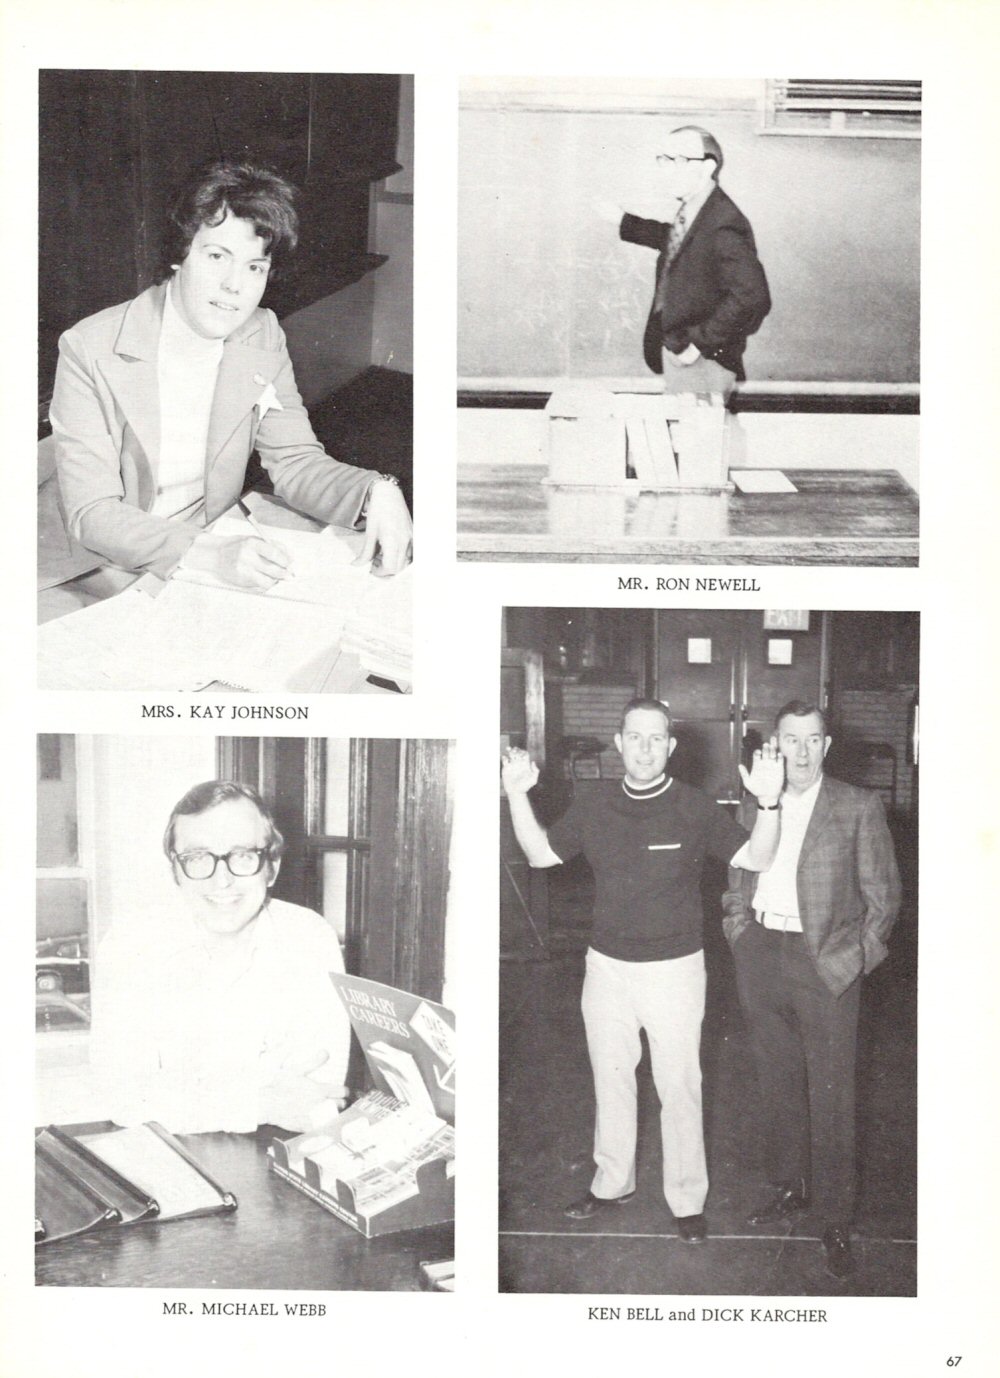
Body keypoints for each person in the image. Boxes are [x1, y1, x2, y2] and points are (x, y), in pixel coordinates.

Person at [48, 159, 411, 607]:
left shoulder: (261, 333)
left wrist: (376, 490)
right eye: (217, 256)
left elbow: (295, 460)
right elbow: (93, 513)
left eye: (255, 267)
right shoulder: (90, 347)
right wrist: (206, 553)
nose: (235, 286)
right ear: (179, 254)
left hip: (213, 542)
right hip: (99, 565)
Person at [501, 697, 784, 1243]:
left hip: (675, 970)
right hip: (606, 968)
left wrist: (769, 804)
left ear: (671, 747)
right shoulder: (594, 803)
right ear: (619, 743)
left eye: (657, 738)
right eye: (636, 737)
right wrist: (515, 794)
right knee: (611, 1079)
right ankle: (612, 1183)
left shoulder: (694, 807)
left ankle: (687, 1200)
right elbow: (541, 855)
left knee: (679, 1087)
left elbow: (758, 859)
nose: (646, 749)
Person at [722, 701, 901, 1279]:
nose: (801, 751)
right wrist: (739, 930)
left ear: (827, 746)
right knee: (777, 1081)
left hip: (824, 963)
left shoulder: (856, 805)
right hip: (761, 952)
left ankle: (836, 1218)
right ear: (773, 745)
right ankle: (790, 1187)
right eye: (790, 739)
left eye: (812, 740)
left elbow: (884, 902)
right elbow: (737, 875)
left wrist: (851, 962)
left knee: (833, 1095)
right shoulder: (757, 800)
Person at [90, 780, 351, 1135]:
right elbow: (122, 1096)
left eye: (243, 855)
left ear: (271, 867)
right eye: (198, 858)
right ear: (175, 871)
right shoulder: (131, 945)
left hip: (279, 1149)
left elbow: (317, 1094)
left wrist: (191, 1095)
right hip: (167, 1155)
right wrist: (259, 1102)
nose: (222, 881)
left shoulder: (311, 938)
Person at [604, 125, 770, 398]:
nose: (667, 170)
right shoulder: (697, 208)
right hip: (681, 353)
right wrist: (625, 222)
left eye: (679, 160)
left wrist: (698, 344)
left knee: (697, 426)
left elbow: (752, 297)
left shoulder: (724, 221)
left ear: (707, 167)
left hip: (702, 364)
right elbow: (678, 241)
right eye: (664, 160)